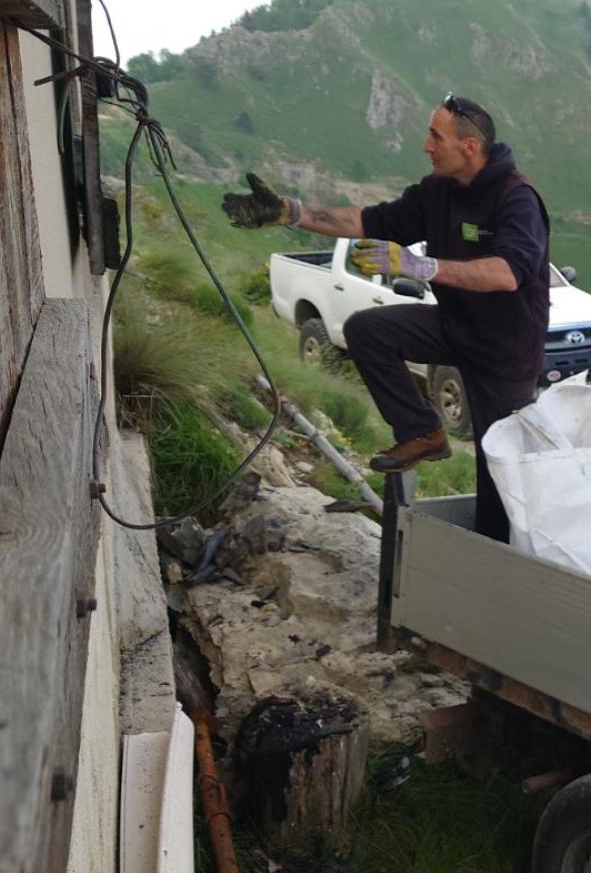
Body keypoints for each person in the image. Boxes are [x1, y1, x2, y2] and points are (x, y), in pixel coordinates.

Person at [222, 93, 550, 541]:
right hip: (455, 326)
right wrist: (293, 214)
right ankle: (424, 433)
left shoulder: (517, 199)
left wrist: (419, 266)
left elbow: (508, 273)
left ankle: (502, 571)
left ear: (469, 147)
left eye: (436, 136)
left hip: (504, 351)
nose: (427, 145)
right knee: (367, 331)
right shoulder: (437, 191)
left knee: (500, 479)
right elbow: (368, 221)